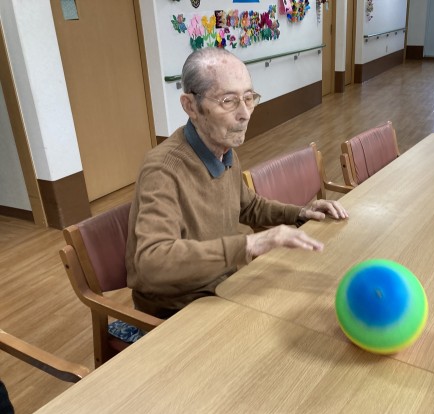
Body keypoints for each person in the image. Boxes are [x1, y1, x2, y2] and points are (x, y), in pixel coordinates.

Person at [126, 47, 348, 319]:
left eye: (248, 98)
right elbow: (152, 261)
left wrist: (300, 213)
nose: (245, 113)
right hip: (178, 307)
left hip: (224, 282)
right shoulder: (163, 169)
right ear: (190, 106)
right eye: (229, 101)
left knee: (318, 298)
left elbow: (248, 206)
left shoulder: (223, 148)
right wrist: (250, 245)